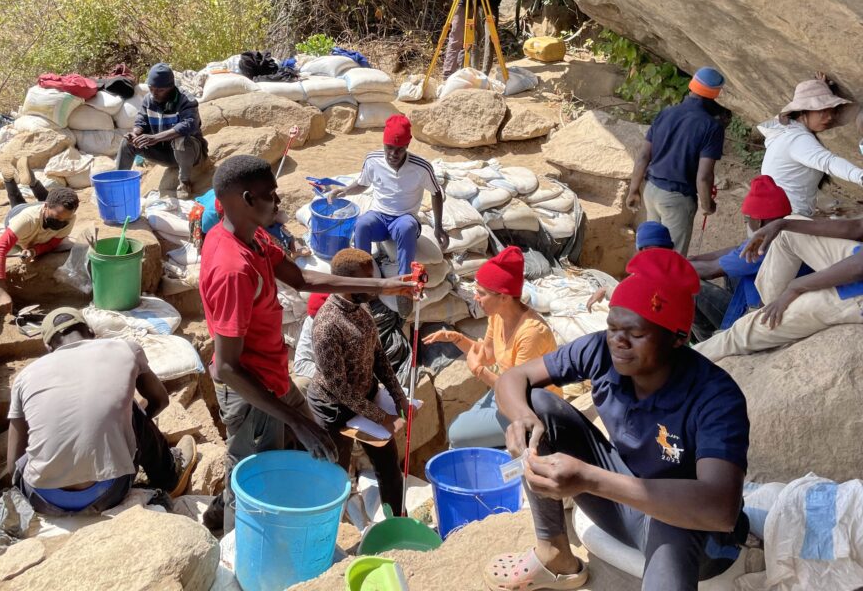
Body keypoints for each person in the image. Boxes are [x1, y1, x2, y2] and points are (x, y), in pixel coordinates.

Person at [485, 249, 749, 591]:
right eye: (612, 328)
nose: (618, 342)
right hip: (623, 501)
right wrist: (522, 419)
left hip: (692, 532)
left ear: (678, 338)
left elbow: (720, 509)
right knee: (538, 405)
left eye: (636, 334)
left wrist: (589, 479)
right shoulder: (600, 351)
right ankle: (555, 556)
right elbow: (513, 379)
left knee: (674, 524)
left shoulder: (714, 396)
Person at [199, 155, 413, 532]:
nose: (279, 202)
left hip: (273, 378)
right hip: (251, 392)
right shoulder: (232, 270)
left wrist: (380, 286)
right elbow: (228, 367)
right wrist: (298, 421)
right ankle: (236, 546)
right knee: (252, 478)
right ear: (247, 199)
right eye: (271, 195)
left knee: (307, 449)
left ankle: (226, 512)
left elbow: (301, 280)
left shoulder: (254, 235)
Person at [4, 308, 197, 515]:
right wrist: (123, 426)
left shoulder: (25, 377)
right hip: (108, 493)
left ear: (48, 347)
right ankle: (169, 475)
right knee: (131, 409)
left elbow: (12, 465)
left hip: (43, 499)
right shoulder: (126, 349)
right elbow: (160, 401)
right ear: (91, 332)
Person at [423, 246, 560, 449]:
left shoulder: (531, 333)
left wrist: (478, 371)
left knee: (455, 433)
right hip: (506, 392)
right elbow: (487, 354)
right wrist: (457, 339)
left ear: (503, 297)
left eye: (481, 293)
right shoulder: (498, 316)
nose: (475, 298)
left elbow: (518, 393)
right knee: (464, 425)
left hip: (531, 409)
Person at [307, 248, 410, 511]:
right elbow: (338, 387)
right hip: (334, 410)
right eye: (366, 278)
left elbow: (379, 357)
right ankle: (331, 532)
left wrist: (399, 398)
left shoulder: (361, 309)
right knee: (335, 479)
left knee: (390, 470)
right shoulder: (327, 324)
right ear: (349, 282)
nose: (372, 283)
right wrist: (383, 418)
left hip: (366, 400)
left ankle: (398, 524)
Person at [694, 214, 863, 362]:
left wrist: (796, 287)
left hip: (857, 290)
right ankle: (767, 308)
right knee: (789, 229)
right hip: (856, 258)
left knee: (740, 333)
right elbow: (858, 227)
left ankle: (677, 367)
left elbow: (858, 268)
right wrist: (781, 224)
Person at [328, 114, 449, 280]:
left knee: (406, 227)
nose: (393, 154)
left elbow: (436, 193)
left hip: (404, 219)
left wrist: (438, 227)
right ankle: (363, 279)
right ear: (384, 143)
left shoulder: (421, 167)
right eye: (389, 148)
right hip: (379, 217)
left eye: (399, 149)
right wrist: (345, 191)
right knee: (362, 224)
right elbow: (363, 184)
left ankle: (404, 282)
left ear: (407, 144)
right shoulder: (373, 160)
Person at [627, 67, 727, 255]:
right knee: (672, 260)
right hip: (676, 199)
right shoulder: (711, 126)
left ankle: (644, 284)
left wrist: (634, 190)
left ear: (691, 86)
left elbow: (643, 157)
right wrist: (707, 205)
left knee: (650, 251)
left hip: (651, 191)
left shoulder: (666, 113)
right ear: (716, 94)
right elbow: (704, 176)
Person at [687, 176, 793, 342]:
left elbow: (709, 271)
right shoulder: (785, 232)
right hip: (765, 304)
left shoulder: (763, 248)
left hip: (753, 320)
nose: (747, 222)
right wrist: (695, 258)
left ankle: (709, 345)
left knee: (692, 290)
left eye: (747, 218)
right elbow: (735, 250)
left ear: (758, 222)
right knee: (732, 271)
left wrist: (671, 266)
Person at [758, 73, 863, 216]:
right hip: (786, 216)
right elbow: (828, 162)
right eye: (823, 110)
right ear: (803, 111)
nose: (830, 117)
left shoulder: (787, 131)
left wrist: (820, 88)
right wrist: (860, 177)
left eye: (832, 111)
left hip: (775, 212)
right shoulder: (796, 139)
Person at [116, 62, 207, 199]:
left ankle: (184, 183)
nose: (154, 93)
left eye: (160, 90)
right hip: (165, 154)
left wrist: (155, 138)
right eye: (151, 89)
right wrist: (135, 134)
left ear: (171, 87)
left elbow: (189, 125)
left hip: (191, 154)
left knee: (180, 138)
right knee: (127, 143)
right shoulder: (148, 99)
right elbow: (141, 121)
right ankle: (119, 184)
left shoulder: (186, 100)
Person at [0, 187, 79, 314]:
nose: (61, 222)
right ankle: (10, 180)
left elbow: (53, 244)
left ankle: (30, 185)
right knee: (17, 204)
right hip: (17, 215)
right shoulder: (26, 220)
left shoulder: (68, 219)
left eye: (64, 219)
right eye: (57, 217)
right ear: (46, 206)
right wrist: (1, 292)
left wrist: (34, 251)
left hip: (37, 230)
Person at [585, 221, 674, 310]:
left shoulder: (644, 277)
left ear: (641, 250)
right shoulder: (681, 271)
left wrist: (605, 290)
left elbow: (629, 296)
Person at [292, 292, 328, 390]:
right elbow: (301, 364)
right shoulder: (311, 320)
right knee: (299, 385)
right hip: (329, 378)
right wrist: (330, 377)